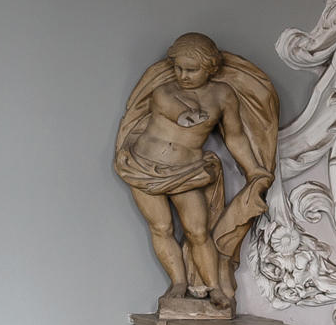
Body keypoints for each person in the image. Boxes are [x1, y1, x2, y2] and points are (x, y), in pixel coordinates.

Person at [114, 34, 280, 310]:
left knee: (198, 231)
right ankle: (178, 283)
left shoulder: (223, 95)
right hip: (143, 167)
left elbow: (235, 136)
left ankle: (213, 287)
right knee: (162, 227)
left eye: (191, 70)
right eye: (178, 68)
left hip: (187, 171)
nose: (183, 75)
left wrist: (253, 170)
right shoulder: (164, 91)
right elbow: (175, 110)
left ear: (210, 67)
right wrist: (189, 115)